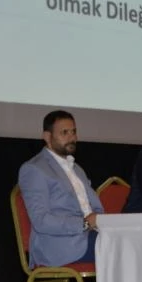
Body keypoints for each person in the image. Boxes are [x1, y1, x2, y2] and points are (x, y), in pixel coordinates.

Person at [18, 110, 103, 267]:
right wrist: (84, 224)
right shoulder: (34, 169)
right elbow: (41, 220)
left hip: (91, 235)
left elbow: (96, 210)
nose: (72, 137)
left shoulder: (77, 169)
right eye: (64, 132)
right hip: (59, 246)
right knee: (121, 248)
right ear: (47, 136)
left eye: (73, 132)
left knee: (130, 241)